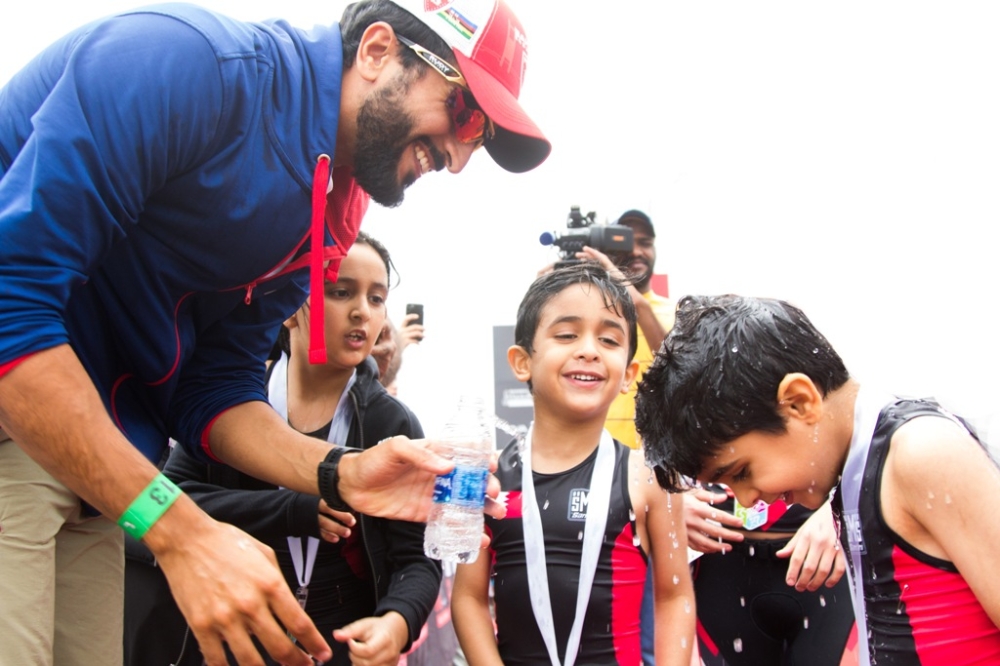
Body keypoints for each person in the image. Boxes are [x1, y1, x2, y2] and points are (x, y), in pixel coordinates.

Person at [0, 1, 548, 664]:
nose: (461, 157)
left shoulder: (337, 206)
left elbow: (215, 389)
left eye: (480, 136)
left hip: (98, 468)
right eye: (463, 112)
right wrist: (181, 533)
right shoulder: (187, 64)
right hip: (23, 411)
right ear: (376, 50)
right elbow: (11, 304)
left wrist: (340, 472)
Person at [125, 233, 441, 665]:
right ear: (290, 306)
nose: (362, 312)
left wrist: (396, 621)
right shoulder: (229, 403)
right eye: (340, 291)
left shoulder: (393, 424)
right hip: (233, 641)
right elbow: (166, 500)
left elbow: (416, 560)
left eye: (377, 297)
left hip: (342, 647)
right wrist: (292, 510)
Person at [635, 294, 1000, 665]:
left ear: (798, 401)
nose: (745, 500)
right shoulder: (855, 465)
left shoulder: (921, 452)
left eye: (742, 472)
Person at [451, 263, 696, 665]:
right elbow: (468, 598)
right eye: (566, 335)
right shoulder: (487, 476)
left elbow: (674, 595)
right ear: (521, 361)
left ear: (628, 374)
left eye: (609, 340)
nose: (588, 349)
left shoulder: (648, 479)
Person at [682, 483, 856, 665]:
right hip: (718, 561)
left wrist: (842, 504)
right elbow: (653, 467)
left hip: (825, 552)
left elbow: (878, 458)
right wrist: (671, 499)